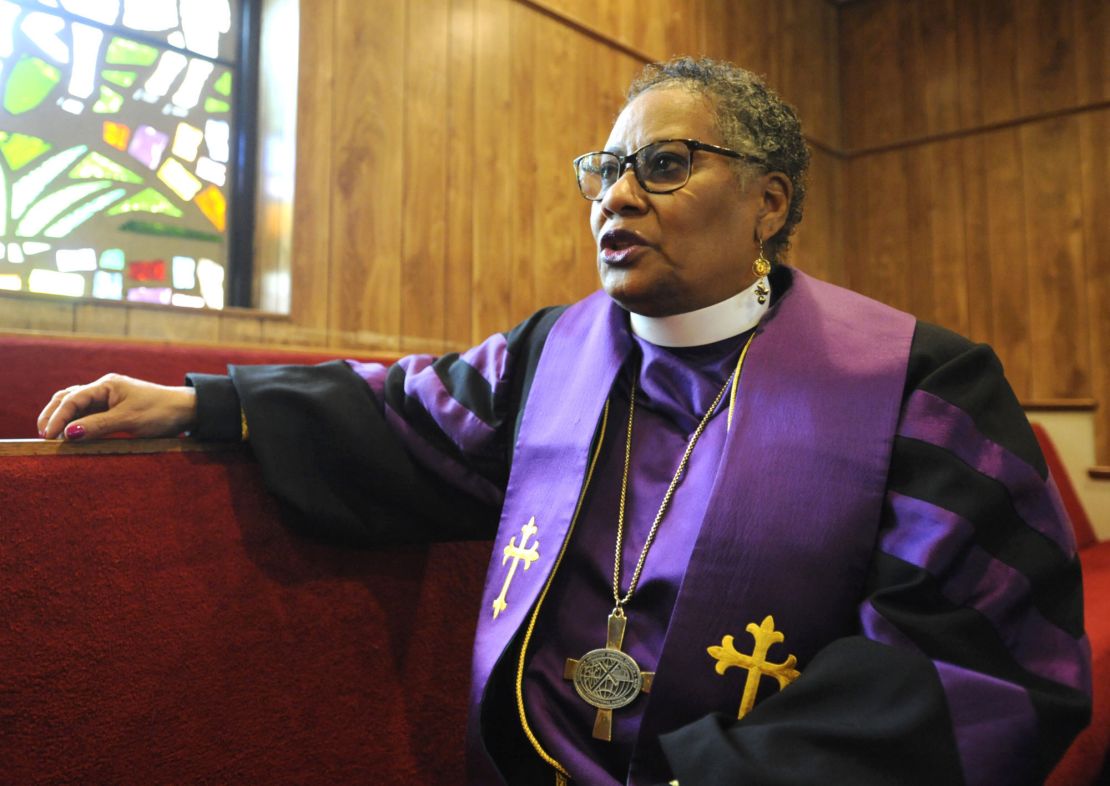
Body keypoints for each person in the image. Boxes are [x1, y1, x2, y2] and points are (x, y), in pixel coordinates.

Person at [38, 58, 1090, 786]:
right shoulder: (556, 351)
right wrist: (203, 404)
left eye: (665, 164)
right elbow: (407, 412)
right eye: (605, 170)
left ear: (769, 203)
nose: (615, 196)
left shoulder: (921, 383)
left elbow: (977, 662)